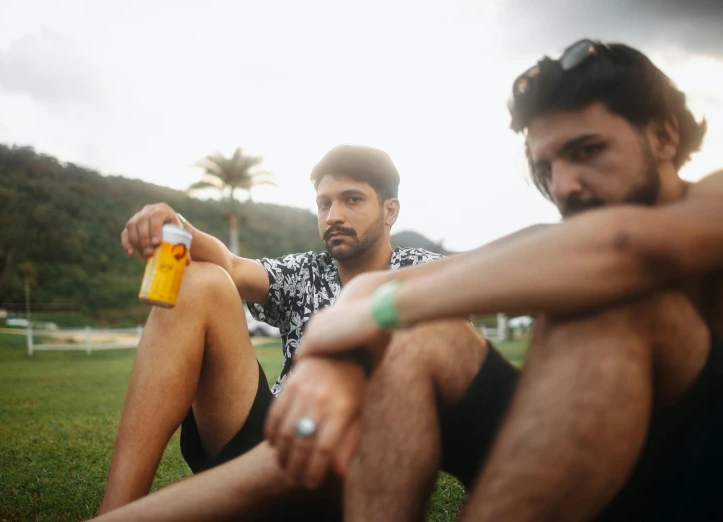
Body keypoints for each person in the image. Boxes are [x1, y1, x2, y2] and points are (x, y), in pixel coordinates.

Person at [270, 39, 723, 521]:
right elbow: (369, 288)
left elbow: (626, 248)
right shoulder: (564, 242)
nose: (564, 185)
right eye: (547, 167)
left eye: (588, 150)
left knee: (608, 299)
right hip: (596, 466)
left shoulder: (710, 199)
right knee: (417, 341)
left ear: (664, 137)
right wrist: (334, 355)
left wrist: (381, 313)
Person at [97, 144, 444, 518]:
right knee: (202, 280)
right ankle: (112, 510)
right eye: (324, 204)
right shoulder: (306, 271)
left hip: (352, 458)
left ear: (390, 210)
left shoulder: (422, 272)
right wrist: (177, 226)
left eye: (352, 200)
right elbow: (231, 264)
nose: (333, 216)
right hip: (269, 437)